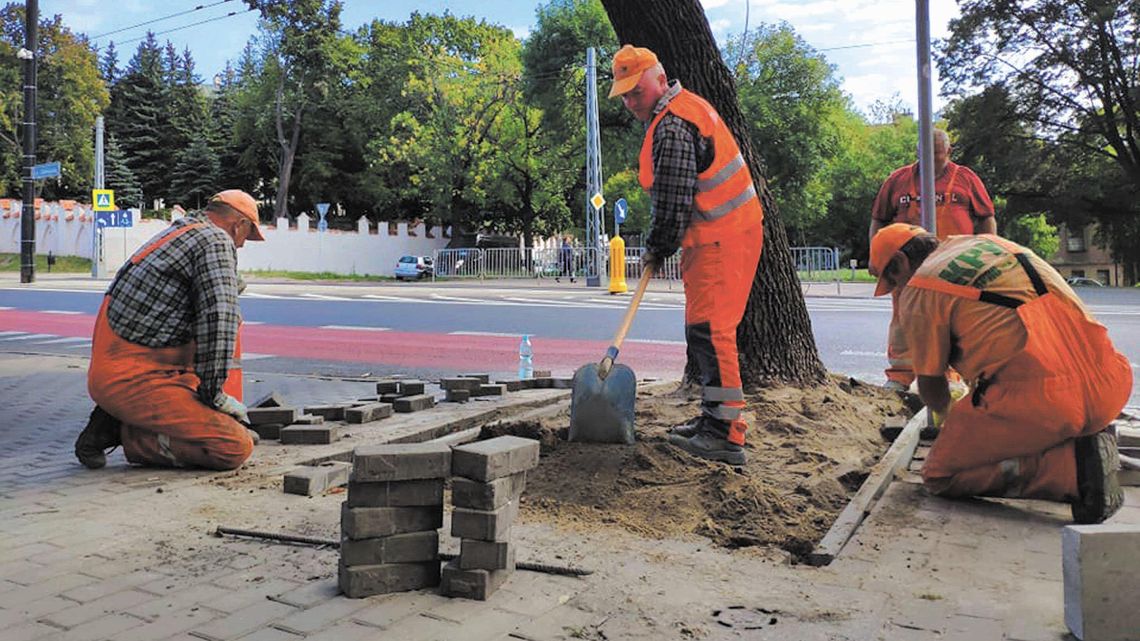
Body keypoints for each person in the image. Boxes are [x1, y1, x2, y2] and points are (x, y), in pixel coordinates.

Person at [870, 223, 1130, 523]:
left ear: (900, 263)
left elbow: (933, 391)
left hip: (1045, 404)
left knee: (940, 473)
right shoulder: (993, 245)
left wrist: (952, 421)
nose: (897, 292)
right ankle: (1083, 442)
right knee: (1038, 411)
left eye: (893, 282)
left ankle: (1073, 471)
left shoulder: (920, 289)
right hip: (1110, 382)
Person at [609, 44, 764, 465]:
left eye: (635, 92)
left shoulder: (674, 126)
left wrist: (656, 248)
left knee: (712, 333)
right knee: (704, 331)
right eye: (623, 94)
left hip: (721, 238)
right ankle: (713, 419)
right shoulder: (682, 108)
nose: (629, 102)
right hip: (721, 236)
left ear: (659, 79)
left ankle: (726, 434)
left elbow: (675, 201)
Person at [74, 190, 266, 471]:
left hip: (129, 366)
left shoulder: (185, 231)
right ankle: (123, 432)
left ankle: (112, 417)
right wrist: (216, 397)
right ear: (238, 224)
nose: (242, 245)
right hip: (134, 377)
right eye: (246, 236)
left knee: (222, 423)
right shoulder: (216, 240)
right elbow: (218, 321)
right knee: (233, 446)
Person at [870, 129, 996, 392]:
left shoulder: (966, 179)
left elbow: (986, 217)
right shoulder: (898, 180)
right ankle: (900, 375)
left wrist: (987, 253)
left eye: (937, 156)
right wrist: (876, 255)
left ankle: (950, 376)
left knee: (951, 319)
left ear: (949, 153)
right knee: (903, 318)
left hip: (953, 265)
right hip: (908, 267)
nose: (931, 162)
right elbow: (879, 219)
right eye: (925, 155)